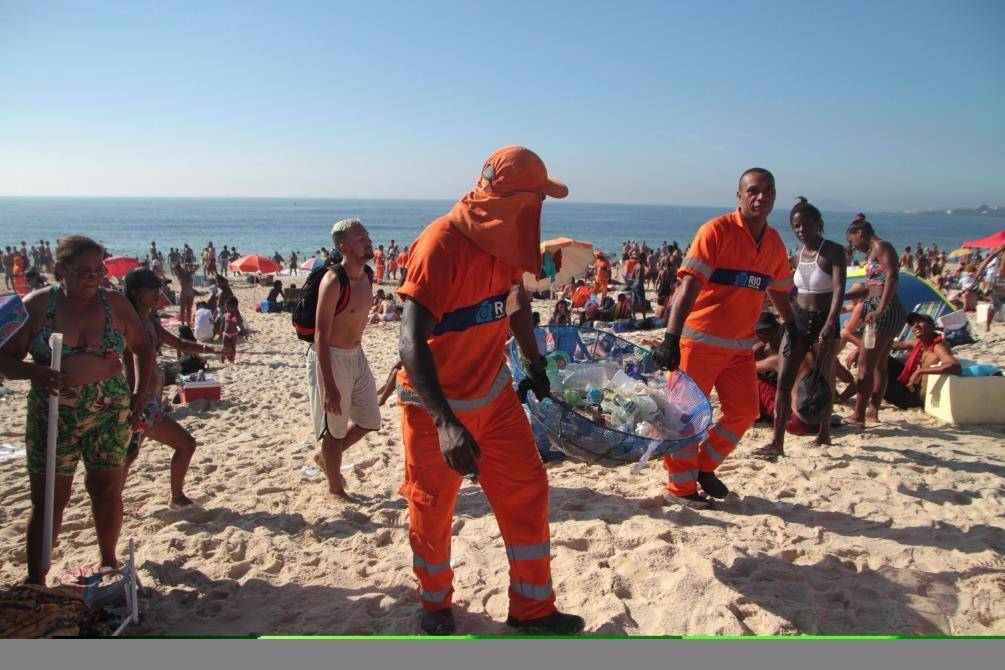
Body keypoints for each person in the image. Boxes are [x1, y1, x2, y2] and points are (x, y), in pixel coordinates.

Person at [396, 146, 583, 636]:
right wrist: (445, 424)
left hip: (494, 395)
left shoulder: (506, 240)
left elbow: (514, 302)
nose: (541, 206)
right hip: (434, 406)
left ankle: (532, 609)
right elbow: (409, 340)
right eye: (539, 197)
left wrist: (535, 364)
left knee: (528, 491)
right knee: (432, 508)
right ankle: (435, 603)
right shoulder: (441, 244)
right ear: (515, 200)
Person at [0, 235, 153, 585]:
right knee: (50, 498)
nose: (93, 278)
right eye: (84, 272)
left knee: (106, 487)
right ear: (61, 270)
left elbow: (144, 347)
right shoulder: (38, 306)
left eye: (98, 271)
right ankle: (36, 579)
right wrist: (33, 373)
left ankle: (108, 561)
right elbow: (4, 359)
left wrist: (139, 395)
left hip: (109, 410)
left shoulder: (114, 303)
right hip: (54, 412)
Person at [648, 168, 795, 509]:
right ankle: (681, 487)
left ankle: (703, 466)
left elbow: (779, 290)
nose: (761, 197)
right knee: (684, 417)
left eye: (768, 191)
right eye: (753, 190)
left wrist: (792, 325)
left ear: (775, 196)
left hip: (740, 348)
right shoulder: (716, 231)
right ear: (739, 195)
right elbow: (688, 287)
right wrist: (671, 337)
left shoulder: (774, 243)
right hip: (698, 344)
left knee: (745, 411)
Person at [122, 269, 226, 508]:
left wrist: (212, 350)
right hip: (139, 401)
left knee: (129, 456)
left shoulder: (148, 321)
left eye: (158, 289)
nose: (158, 294)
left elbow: (178, 343)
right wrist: (136, 396)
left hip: (149, 400)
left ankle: (170, 497)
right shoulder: (129, 324)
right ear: (135, 292)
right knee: (182, 445)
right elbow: (129, 361)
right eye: (152, 290)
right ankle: (174, 497)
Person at [752, 197, 847, 458]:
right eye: (796, 226)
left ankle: (824, 431)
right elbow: (790, 288)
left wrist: (831, 321)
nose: (801, 230)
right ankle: (777, 441)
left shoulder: (833, 251)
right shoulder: (799, 254)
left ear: (818, 223)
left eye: (806, 224)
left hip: (824, 319)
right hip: (799, 318)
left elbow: (839, 289)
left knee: (824, 376)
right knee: (784, 378)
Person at [307, 219, 381, 501]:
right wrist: (329, 386)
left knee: (370, 419)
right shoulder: (333, 281)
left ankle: (325, 459)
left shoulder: (368, 275)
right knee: (334, 429)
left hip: (356, 355)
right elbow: (320, 336)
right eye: (360, 238)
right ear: (344, 247)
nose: (368, 241)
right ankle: (335, 489)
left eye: (367, 236)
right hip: (332, 355)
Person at [844, 214, 907, 426]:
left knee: (865, 365)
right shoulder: (873, 252)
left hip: (884, 308)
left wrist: (880, 308)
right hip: (884, 306)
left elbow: (892, 276)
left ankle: (858, 416)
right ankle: (872, 411)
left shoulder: (881, 246)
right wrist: (843, 295)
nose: (853, 246)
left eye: (852, 240)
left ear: (860, 232)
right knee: (880, 365)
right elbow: (870, 287)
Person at [900, 312, 962, 397]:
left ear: (932, 327)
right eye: (913, 324)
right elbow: (890, 344)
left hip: (921, 398)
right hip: (913, 389)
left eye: (920, 321)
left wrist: (919, 371)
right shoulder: (919, 343)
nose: (915, 326)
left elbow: (955, 367)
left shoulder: (938, 346)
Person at [172, 261, 196, 326]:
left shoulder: (189, 274)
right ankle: (182, 323)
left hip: (190, 294)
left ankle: (188, 323)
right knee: (182, 310)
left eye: (186, 267)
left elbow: (198, 266)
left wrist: (190, 263)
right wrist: (178, 264)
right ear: (181, 268)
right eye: (184, 267)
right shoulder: (180, 275)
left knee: (189, 310)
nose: (186, 267)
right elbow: (173, 267)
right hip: (184, 294)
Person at [221, 296, 244, 363]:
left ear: (233, 307)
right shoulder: (225, 314)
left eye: (227, 306)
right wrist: (220, 332)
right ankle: (223, 360)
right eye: (226, 306)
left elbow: (239, 324)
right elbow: (222, 324)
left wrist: (242, 332)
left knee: (233, 348)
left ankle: (232, 360)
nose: (226, 308)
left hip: (234, 334)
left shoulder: (237, 315)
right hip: (226, 334)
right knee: (225, 347)